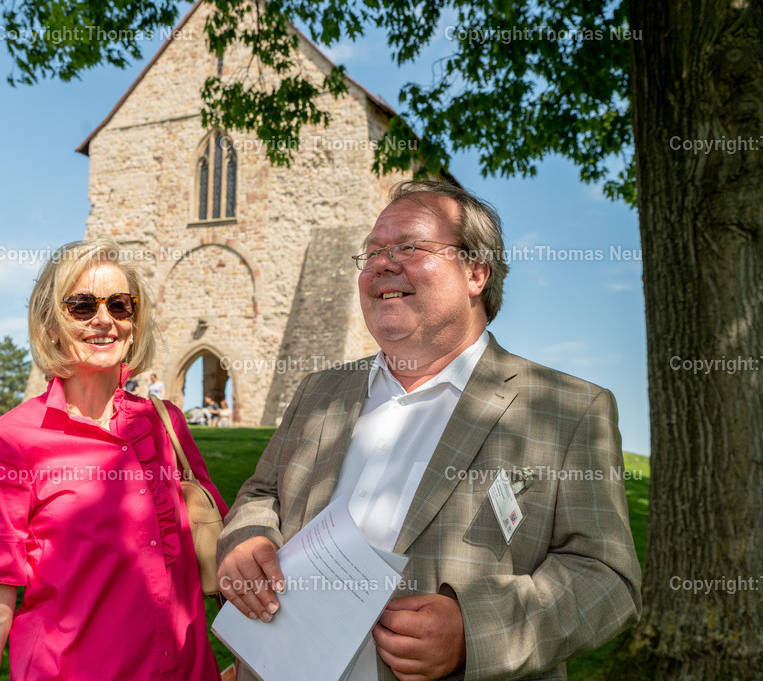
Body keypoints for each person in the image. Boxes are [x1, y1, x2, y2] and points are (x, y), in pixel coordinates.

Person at [217, 180, 642, 681]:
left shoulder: (569, 409)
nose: (382, 263)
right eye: (372, 252)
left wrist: (474, 630)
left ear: (476, 272)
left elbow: (607, 578)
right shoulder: (319, 391)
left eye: (409, 248)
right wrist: (247, 538)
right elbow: (262, 493)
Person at [0, 239, 228, 681]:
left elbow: (225, 542)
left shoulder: (166, 424)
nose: (104, 320)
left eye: (120, 306)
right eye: (82, 306)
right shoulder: (9, 440)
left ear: (134, 323)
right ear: (51, 325)